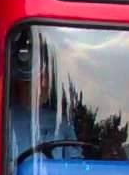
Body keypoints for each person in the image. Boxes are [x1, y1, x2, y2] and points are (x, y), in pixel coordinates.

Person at [7, 33, 78, 165]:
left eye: (47, 76)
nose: (45, 84)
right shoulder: (0, 121)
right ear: (21, 77)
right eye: (40, 76)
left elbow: (77, 169)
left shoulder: (62, 123)